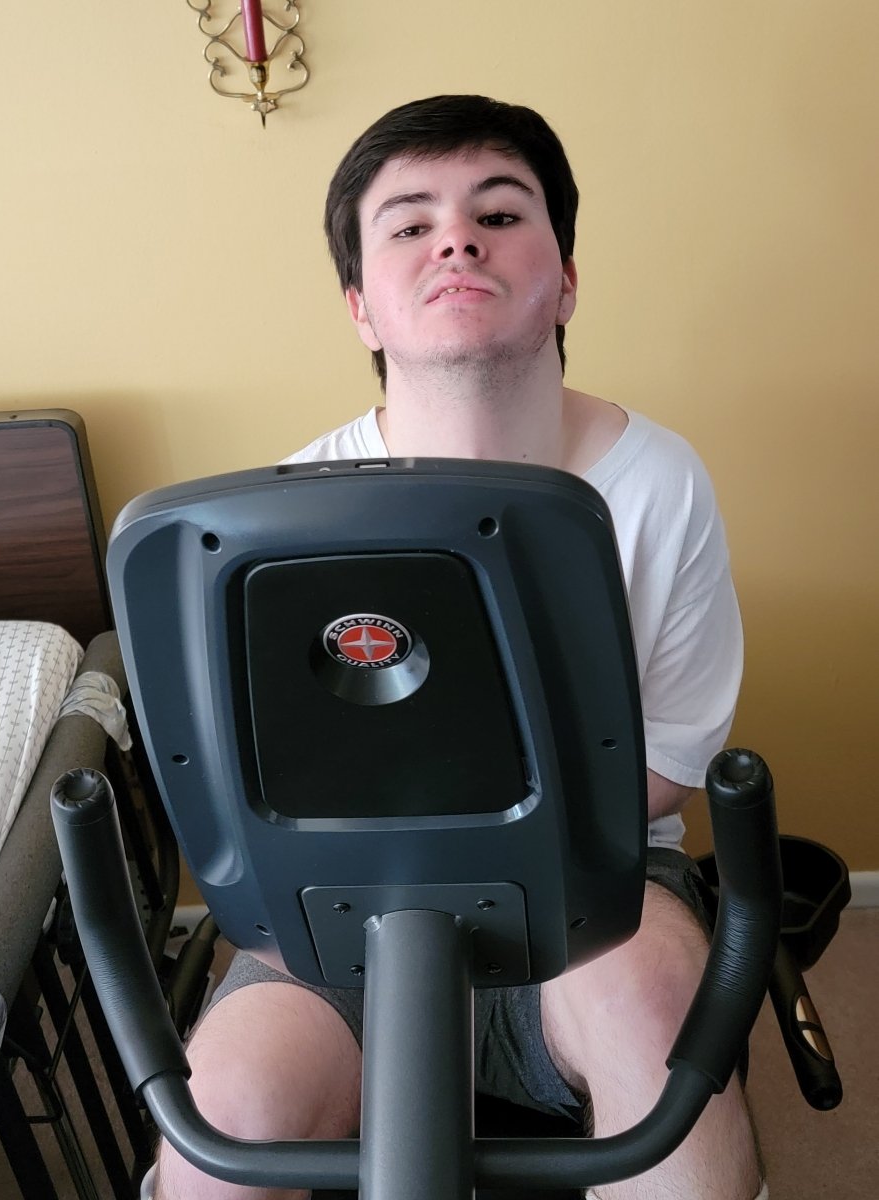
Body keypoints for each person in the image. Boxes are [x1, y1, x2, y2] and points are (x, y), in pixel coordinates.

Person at [153, 95, 766, 1200]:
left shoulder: (658, 480)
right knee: (221, 1119)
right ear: (362, 310)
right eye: (408, 223)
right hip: (339, 900)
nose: (456, 238)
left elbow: (672, 756)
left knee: (659, 1026)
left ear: (566, 280)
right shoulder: (283, 520)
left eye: (498, 210)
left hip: (594, 888)